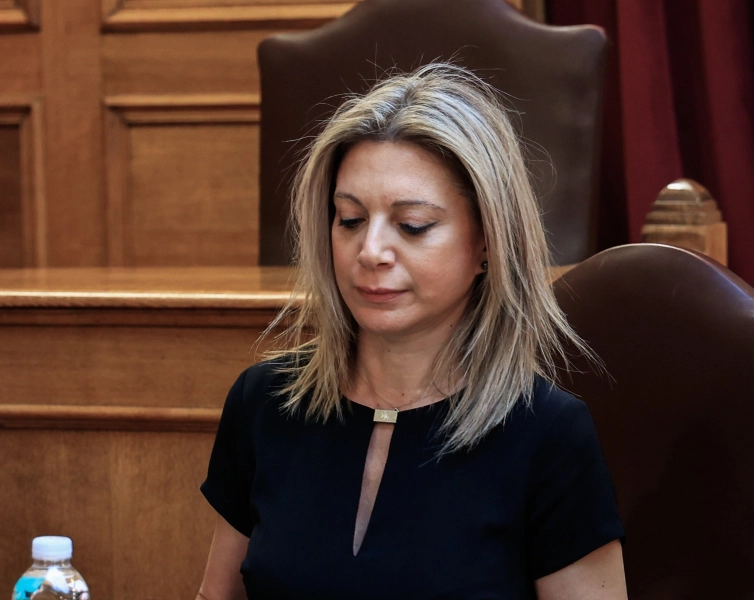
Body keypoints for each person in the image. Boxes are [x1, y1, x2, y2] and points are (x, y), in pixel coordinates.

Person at [196, 63, 626, 600]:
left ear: (487, 242)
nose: (370, 251)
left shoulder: (549, 434)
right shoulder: (263, 402)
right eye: (350, 219)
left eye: (412, 225)